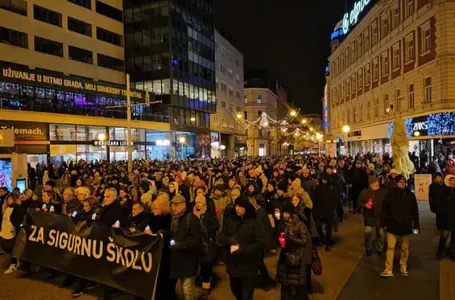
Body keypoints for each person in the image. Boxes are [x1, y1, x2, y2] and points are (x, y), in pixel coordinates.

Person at [218, 195, 266, 300]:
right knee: (235, 290)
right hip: (233, 264)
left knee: (247, 295)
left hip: (249, 265)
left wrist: (243, 250)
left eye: (240, 206)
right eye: (236, 206)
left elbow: (260, 243)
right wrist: (228, 240)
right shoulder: (230, 219)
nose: (237, 209)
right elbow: (221, 236)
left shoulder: (255, 221)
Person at [380, 175, 420, 277]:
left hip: (405, 224)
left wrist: (416, 225)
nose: (402, 184)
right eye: (400, 182)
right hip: (392, 224)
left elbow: (415, 211)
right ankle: (388, 269)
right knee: (390, 247)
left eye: (403, 182)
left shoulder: (410, 195)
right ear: (396, 183)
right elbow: (384, 209)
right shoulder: (390, 194)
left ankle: (403, 266)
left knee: (405, 248)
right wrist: (385, 222)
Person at [169, 194, 202, 300]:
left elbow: (196, 239)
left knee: (187, 290)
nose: (174, 208)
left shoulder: (191, 219)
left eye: (176, 205)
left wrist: (181, 244)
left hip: (189, 260)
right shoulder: (174, 219)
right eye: (172, 205)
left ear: (184, 205)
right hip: (179, 260)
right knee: (181, 289)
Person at [276, 202, 311, 300]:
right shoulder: (282, 223)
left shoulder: (299, 224)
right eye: (284, 213)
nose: (285, 215)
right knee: (285, 284)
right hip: (284, 257)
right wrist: (280, 240)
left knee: (297, 285)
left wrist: (290, 237)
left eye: (287, 213)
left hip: (296, 259)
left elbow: (304, 241)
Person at [193, 195, 218, 299]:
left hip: (207, 245)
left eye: (200, 202)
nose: (198, 204)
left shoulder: (209, 214)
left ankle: (206, 289)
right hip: (196, 245)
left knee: (206, 267)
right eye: (196, 202)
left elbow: (216, 226)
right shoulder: (193, 214)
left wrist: (205, 228)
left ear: (204, 204)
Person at [248, 196, 275, 291]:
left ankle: (266, 281)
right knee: (257, 263)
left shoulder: (259, 213)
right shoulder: (258, 212)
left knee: (259, 263)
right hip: (262, 242)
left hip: (262, 243)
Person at [358, 176, 387, 256]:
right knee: (368, 232)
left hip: (379, 217)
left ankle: (380, 249)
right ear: (370, 184)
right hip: (369, 216)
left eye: (377, 182)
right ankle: (368, 248)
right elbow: (359, 202)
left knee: (380, 233)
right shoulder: (364, 192)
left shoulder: (383, 192)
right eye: (374, 182)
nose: (377, 184)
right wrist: (365, 205)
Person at [434, 175, 455, 261]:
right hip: (445, 217)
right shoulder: (443, 191)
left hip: (454, 217)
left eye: (454, 181)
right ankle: (440, 252)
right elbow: (438, 204)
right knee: (444, 236)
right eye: (451, 181)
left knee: (454, 237)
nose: (452, 182)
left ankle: (453, 253)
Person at [313, 174, 336, 251]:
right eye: (323, 179)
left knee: (328, 228)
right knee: (318, 226)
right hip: (319, 210)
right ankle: (323, 239)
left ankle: (328, 243)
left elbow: (334, 199)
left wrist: (332, 207)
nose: (324, 181)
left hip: (328, 210)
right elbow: (314, 198)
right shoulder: (317, 188)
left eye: (325, 180)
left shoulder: (331, 188)